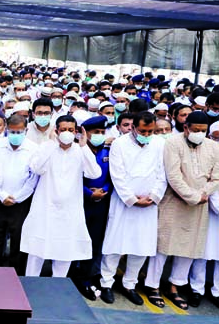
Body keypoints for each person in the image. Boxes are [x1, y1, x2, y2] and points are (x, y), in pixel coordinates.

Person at [144, 111, 219, 310]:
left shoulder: (214, 147)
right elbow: (173, 175)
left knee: (189, 249)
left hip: (199, 206)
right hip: (174, 201)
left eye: (203, 131)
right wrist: (193, 196)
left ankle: (174, 287)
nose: (199, 134)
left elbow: (216, 177)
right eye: (195, 130)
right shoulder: (173, 143)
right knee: (163, 246)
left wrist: (202, 194)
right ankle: (152, 286)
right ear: (186, 128)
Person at [21, 115, 102, 277]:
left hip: (70, 211)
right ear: (56, 131)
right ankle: (30, 287)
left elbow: (95, 173)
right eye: (63, 129)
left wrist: (85, 146)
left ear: (77, 132)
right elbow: (36, 168)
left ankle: (58, 289)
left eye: (70, 130)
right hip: (45, 208)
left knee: (65, 251)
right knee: (37, 251)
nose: (67, 133)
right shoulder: (46, 147)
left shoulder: (80, 151)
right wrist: (51, 144)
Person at [100, 112, 165, 306]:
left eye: (150, 131)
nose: (146, 134)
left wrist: (154, 196)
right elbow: (117, 174)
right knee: (114, 245)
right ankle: (106, 283)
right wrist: (130, 198)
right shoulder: (119, 144)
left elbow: (163, 173)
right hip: (123, 202)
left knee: (141, 246)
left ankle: (130, 284)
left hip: (148, 204)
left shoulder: (160, 144)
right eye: (143, 130)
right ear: (133, 128)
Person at [0, 114, 38, 274]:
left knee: (18, 240)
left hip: (21, 203)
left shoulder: (33, 149)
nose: (15, 135)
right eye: (12, 132)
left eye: (19, 132)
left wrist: (17, 198)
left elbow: (33, 179)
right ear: (6, 129)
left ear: (26, 130)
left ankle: (15, 274)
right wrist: (2, 195)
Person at [75, 115, 112, 300]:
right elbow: (73, 178)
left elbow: (111, 177)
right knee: (76, 239)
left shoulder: (108, 151)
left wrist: (103, 190)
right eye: (95, 132)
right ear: (85, 133)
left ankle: (86, 277)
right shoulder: (78, 150)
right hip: (81, 201)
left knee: (94, 242)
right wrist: (89, 193)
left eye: (102, 132)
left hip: (101, 204)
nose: (99, 135)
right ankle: (72, 274)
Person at [189, 120, 219, 307]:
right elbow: (212, 185)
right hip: (210, 212)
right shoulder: (208, 154)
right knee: (203, 253)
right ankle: (196, 289)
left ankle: (217, 291)